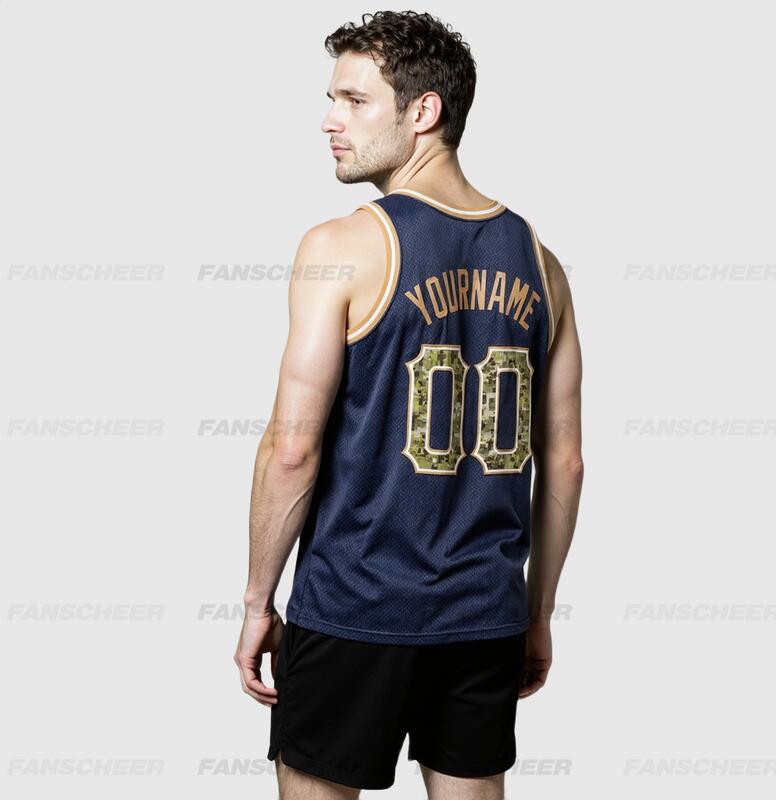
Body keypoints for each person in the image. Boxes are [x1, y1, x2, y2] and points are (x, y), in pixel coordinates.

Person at [234, 10, 583, 799]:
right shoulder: (542, 263)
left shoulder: (339, 248)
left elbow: (292, 447)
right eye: (332, 99)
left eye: (354, 101)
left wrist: (258, 602)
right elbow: (564, 462)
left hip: (353, 607)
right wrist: (537, 613)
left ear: (423, 111)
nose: (330, 121)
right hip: (484, 617)